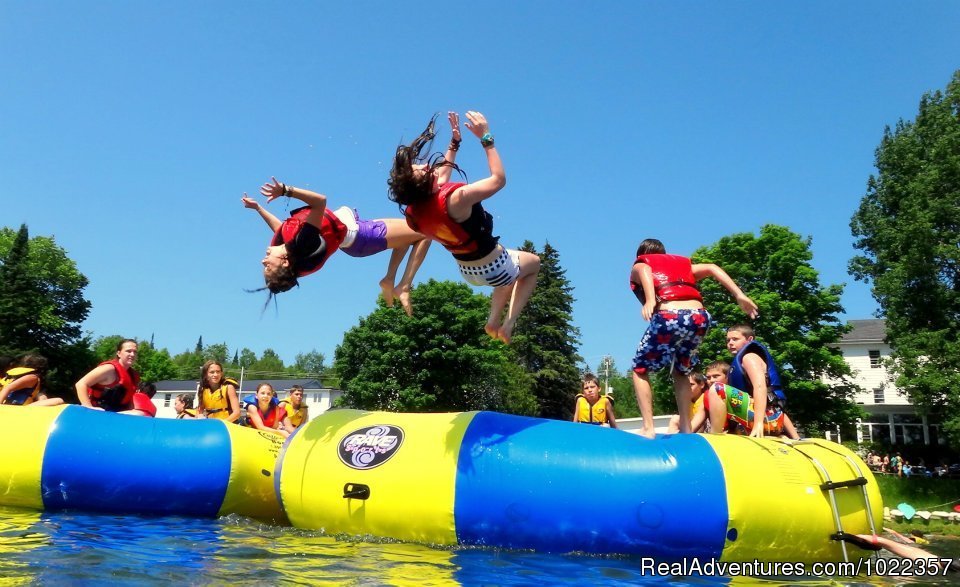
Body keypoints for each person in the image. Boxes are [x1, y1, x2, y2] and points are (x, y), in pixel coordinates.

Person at [244, 121, 448, 315]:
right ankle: (403, 285)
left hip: (358, 237)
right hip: (363, 235)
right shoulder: (303, 244)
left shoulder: (294, 247)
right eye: (267, 265)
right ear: (285, 263)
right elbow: (319, 202)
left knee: (408, 234)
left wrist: (258, 209)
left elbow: (281, 228)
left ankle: (389, 279)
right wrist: (287, 190)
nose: (263, 260)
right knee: (424, 231)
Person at [388, 111, 541, 343]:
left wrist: (455, 142)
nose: (424, 165)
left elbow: (442, 175)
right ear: (421, 182)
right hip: (494, 263)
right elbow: (498, 179)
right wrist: (486, 137)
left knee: (507, 275)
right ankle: (508, 325)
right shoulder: (457, 198)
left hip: (468, 272)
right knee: (533, 264)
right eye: (420, 168)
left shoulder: (415, 213)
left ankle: (492, 322)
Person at [629, 238, 758, 438]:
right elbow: (713, 268)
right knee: (681, 371)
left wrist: (651, 299)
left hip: (670, 316)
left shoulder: (641, 264)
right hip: (700, 318)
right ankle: (686, 428)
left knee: (640, 370)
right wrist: (739, 295)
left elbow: (645, 271)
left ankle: (648, 427)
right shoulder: (683, 266)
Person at [724, 324, 800, 439]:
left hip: (764, 418)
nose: (730, 343)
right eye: (728, 340)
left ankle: (716, 432)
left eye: (735, 339)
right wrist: (795, 437)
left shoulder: (749, 357)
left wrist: (758, 423)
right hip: (770, 416)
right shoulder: (742, 360)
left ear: (750, 339)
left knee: (716, 390)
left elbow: (760, 387)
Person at [694, 361, 799, 439]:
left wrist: (796, 438)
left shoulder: (742, 393)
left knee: (717, 389)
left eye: (716, 376)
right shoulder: (708, 397)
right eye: (708, 377)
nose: (711, 381)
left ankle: (715, 437)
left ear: (727, 377)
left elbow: (777, 410)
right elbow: (695, 423)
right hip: (736, 435)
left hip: (762, 428)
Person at [75, 339, 141, 411]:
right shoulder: (109, 369)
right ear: (118, 353)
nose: (132, 354)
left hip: (116, 415)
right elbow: (80, 384)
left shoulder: (133, 376)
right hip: (97, 413)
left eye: (135, 352)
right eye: (128, 351)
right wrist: (88, 408)